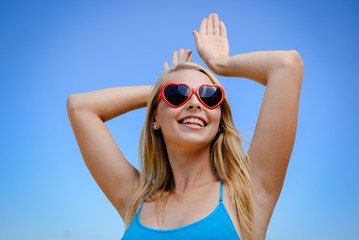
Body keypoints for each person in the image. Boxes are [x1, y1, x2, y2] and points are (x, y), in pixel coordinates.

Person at [67, 13, 303, 240]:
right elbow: (80, 107)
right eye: (177, 94)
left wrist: (220, 64)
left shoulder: (247, 192)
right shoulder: (136, 199)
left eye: (209, 96)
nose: (194, 103)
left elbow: (287, 65)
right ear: (155, 119)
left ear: (219, 119)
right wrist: (164, 84)